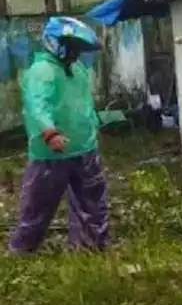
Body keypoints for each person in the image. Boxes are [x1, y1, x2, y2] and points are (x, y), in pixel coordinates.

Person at [10, 17, 110, 254]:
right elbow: (37, 105)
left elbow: (84, 104)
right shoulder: (42, 71)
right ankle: (22, 252)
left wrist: (93, 128)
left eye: (78, 48)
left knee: (92, 203)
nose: (75, 53)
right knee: (38, 207)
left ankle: (90, 249)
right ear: (56, 42)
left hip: (84, 148)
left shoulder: (78, 70)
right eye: (72, 47)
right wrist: (49, 132)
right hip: (51, 153)